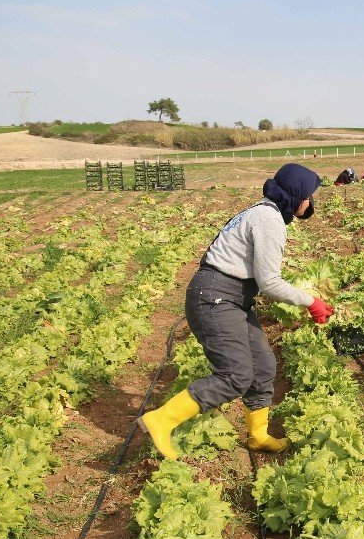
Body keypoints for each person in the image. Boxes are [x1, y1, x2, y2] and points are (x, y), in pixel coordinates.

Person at [139, 163, 335, 459]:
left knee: (263, 366)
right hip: (216, 297)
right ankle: (161, 420)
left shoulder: (262, 211)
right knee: (235, 375)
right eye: (309, 195)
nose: (311, 202)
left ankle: (258, 436)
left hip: (231, 296)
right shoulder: (269, 220)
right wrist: (311, 302)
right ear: (296, 195)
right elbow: (269, 282)